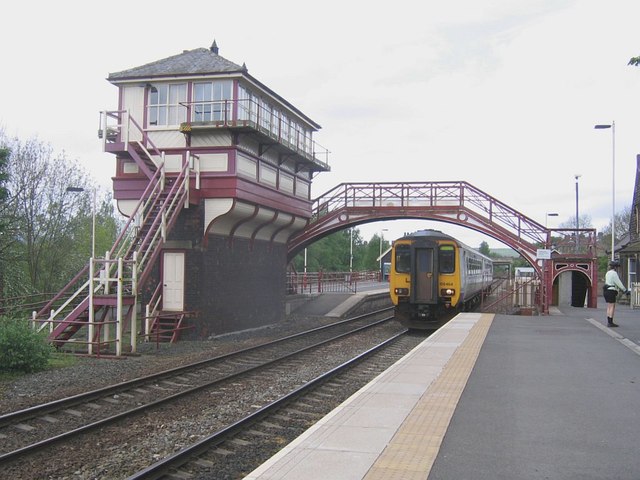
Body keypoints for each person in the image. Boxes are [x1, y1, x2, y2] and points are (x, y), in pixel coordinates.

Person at [603, 260, 628, 327]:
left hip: (606, 290)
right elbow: (618, 282)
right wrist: (624, 290)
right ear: (615, 267)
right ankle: (610, 322)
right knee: (612, 306)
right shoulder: (614, 273)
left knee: (609, 306)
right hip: (611, 291)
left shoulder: (607, 273)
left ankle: (609, 321)